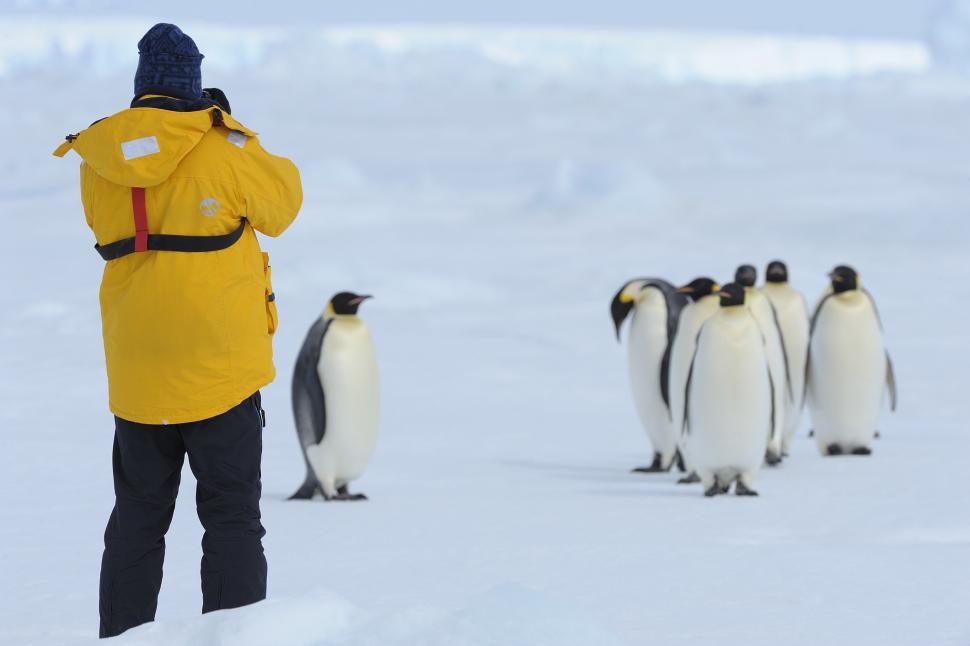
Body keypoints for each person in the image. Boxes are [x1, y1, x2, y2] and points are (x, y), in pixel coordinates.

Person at [53, 23, 302, 638]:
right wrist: (228, 127)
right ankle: (231, 636)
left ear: (141, 84)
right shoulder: (223, 147)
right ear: (193, 81)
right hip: (220, 368)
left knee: (137, 518)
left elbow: (113, 220)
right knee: (232, 518)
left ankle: (123, 636)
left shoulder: (99, 155)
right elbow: (283, 204)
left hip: (138, 372)